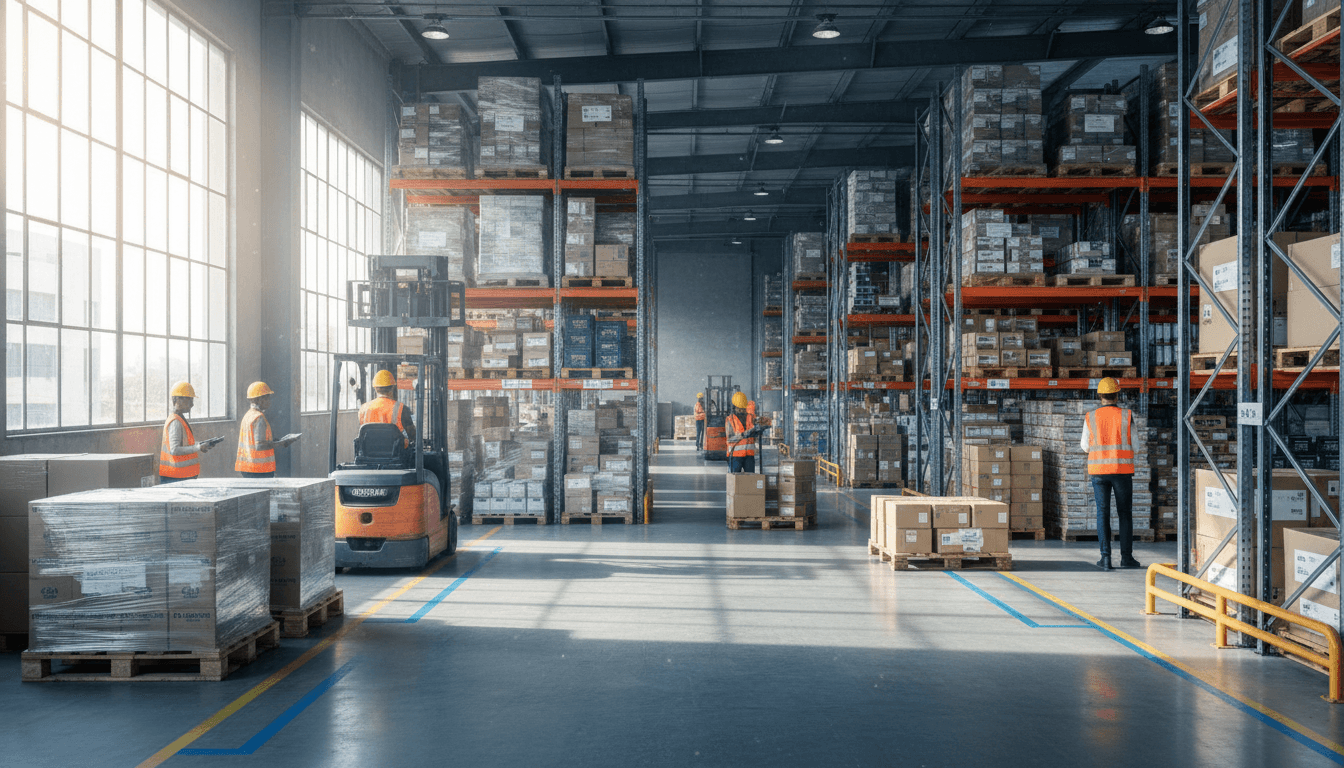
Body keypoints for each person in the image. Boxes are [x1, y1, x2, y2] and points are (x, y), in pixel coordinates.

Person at [1081, 377, 1140, 571]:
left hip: (1098, 472)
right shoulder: (1126, 416)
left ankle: (1105, 558)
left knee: (1102, 513)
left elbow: (1084, 446)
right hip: (1121, 471)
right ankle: (1126, 558)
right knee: (1124, 514)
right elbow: (1136, 446)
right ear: (1117, 394)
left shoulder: (1091, 417)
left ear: (1099, 395)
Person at [236, 381, 298, 477]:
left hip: (247, 467)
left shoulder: (248, 415)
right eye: (267, 397)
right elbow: (260, 445)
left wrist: (274, 441)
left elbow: (254, 441)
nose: (269, 400)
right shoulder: (259, 417)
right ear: (259, 400)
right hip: (259, 469)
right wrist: (281, 443)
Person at [159, 381, 215, 483]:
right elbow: (174, 450)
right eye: (189, 400)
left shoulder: (179, 419)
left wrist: (200, 444)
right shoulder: (175, 421)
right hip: (175, 477)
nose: (192, 404)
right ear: (177, 399)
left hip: (180, 476)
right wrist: (198, 447)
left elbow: (184, 444)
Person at [358, 369, 417, 447]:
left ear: (375, 388)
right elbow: (412, 435)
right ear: (392, 387)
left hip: (369, 454)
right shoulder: (401, 408)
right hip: (395, 455)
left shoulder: (363, 409)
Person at [725, 391, 757, 474]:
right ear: (734, 407)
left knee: (750, 479)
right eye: (739, 408)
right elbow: (730, 439)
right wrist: (743, 435)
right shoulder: (730, 419)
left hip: (749, 455)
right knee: (735, 480)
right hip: (735, 455)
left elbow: (755, 433)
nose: (741, 410)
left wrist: (759, 429)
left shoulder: (750, 417)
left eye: (743, 408)